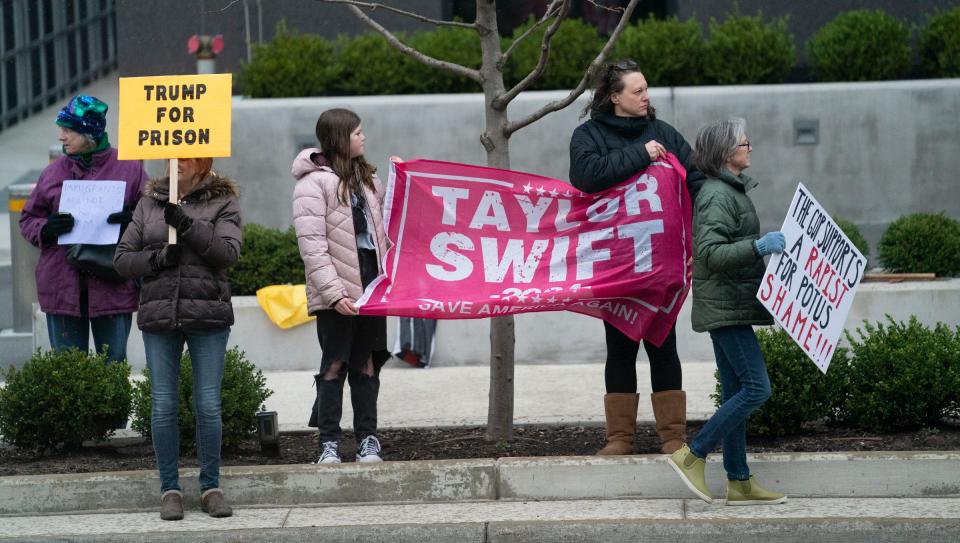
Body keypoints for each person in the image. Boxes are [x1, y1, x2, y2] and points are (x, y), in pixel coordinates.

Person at [568, 59, 705, 456]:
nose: (646, 97)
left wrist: (695, 239)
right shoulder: (587, 135)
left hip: (660, 266)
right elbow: (586, 175)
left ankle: (673, 437)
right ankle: (620, 438)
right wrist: (642, 154)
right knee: (620, 346)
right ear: (615, 97)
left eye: (647, 89)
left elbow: (695, 181)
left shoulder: (664, 132)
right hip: (615, 265)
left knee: (664, 343)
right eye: (637, 91)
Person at [114, 157, 242, 520]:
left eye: (186, 156)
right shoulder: (149, 201)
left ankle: (210, 487)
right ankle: (169, 488)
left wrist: (187, 226)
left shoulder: (224, 201)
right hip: (160, 314)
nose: (178, 162)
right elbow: (122, 260)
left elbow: (227, 253)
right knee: (164, 404)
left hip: (207, 315)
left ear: (204, 161)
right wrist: (156, 260)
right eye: (173, 156)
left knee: (207, 404)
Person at [667, 118, 787, 506]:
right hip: (726, 309)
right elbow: (712, 255)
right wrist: (759, 246)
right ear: (726, 153)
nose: (750, 147)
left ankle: (739, 481)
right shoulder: (718, 195)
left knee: (736, 391)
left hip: (732, 304)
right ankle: (693, 454)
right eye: (743, 143)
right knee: (757, 388)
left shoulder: (730, 191)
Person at [293, 108, 391, 465]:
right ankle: (329, 443)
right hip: (335, 290)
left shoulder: (368, 181)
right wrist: (334, 294)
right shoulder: (311, 185)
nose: (364, 138)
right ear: (339, 138)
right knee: (334, 363)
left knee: (366, 364)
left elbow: (389, 228)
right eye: (357, 133)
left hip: (371, 287)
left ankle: (368, 439)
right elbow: (312, 247)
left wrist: (402, 179)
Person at [19, 95, 147, 363]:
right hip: (61, 286)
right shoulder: (52, 173)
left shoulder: (130, 168)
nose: (61, 136)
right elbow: (28, 220)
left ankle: (111, 410)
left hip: (113, 285)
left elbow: (153, 217)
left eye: (68, 130)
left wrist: (133, 221)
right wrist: (46, 228)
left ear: (90, 133)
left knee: (112, 369)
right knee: (68, 375)